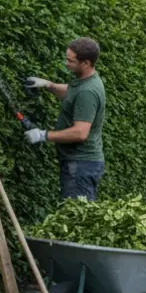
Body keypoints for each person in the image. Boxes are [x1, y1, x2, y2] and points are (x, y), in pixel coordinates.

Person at [22, 38, 106, 201]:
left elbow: (80, 133)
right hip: (80, 163)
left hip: (81, 165)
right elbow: (72, 93)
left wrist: (43, 135)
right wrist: (49, 85)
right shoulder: (84, 81)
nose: (66, 63)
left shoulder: (88, 92)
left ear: (85, 63)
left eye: (70, 60)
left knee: (76, 218)